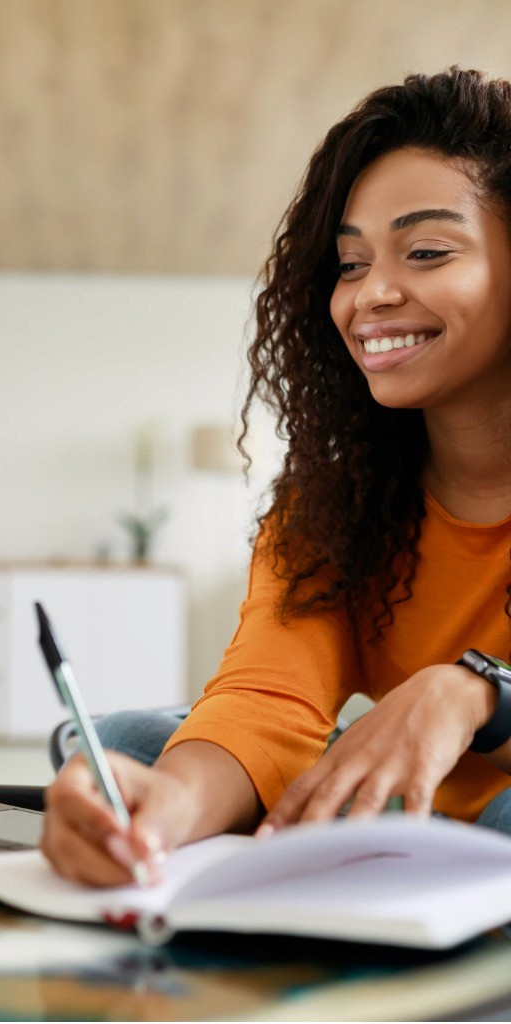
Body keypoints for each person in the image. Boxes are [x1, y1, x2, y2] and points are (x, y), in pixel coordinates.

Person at [43, 66, 511, 886]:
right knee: (131, 748)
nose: (373, 295)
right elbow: (269, 697)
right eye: (351, 264)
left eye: (427, 251)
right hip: (414, 812)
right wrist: (164, 813)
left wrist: (476, 694)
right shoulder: (334, 505)